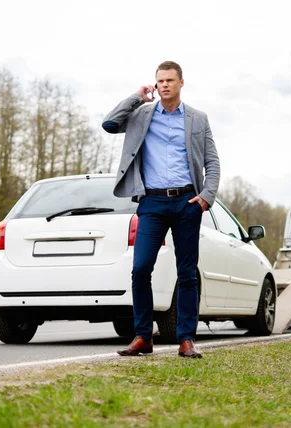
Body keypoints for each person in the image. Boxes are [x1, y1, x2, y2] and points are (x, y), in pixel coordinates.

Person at [102, 61, 220, 358]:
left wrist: (206, 196)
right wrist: (136, 96)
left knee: (187, 273)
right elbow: (109, 123)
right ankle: (143, 337)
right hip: (152, 202)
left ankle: (186, 339)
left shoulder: (198, 119)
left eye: (170, 80)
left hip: (186, 202)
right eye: (160, 81)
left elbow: (212, 162)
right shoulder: (141, 114)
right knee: (141, 268)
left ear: (181, 83)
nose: (164, 85)